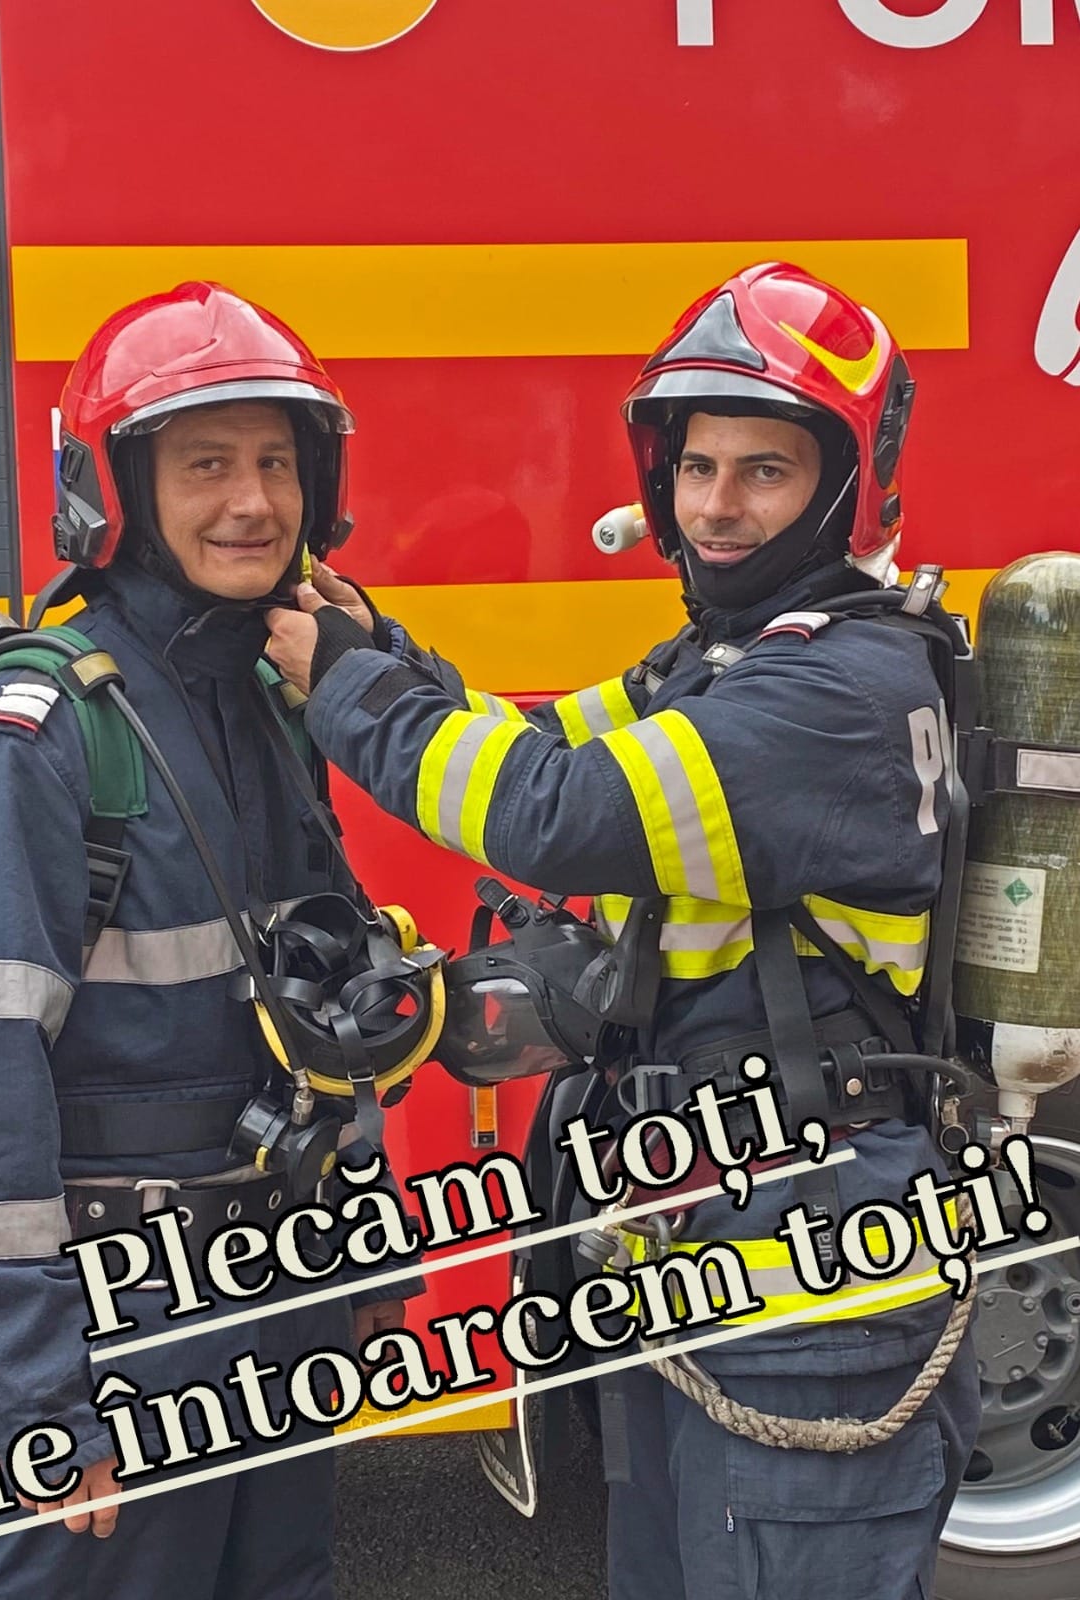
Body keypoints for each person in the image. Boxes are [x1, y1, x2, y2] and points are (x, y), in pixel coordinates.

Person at [265, 262, 984, 1600]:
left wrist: (348, 695)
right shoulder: (732, 661)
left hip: (805, 1289)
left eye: (763, 471)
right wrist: (384, 651)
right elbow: (539, 747)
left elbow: (554, 816)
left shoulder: (831, 687)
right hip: (706, 1258)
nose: (715, 505)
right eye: (697, 466)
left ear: (845, 485)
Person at [0, 280, 420, 1600]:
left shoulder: (270, 700)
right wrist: (29, 1403)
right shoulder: (36, 736)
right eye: (205, 465)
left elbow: (321, 1003)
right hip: (109, 1338)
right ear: (116, 491)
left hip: (274, 1305)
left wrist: (365, 1239)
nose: (253, 502)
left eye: (276, 463)